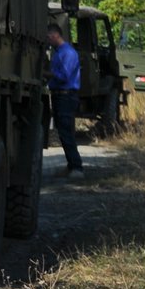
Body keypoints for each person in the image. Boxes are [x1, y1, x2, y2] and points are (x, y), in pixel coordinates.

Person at [46, 24, 83, 179]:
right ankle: (71, 166)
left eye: (48, 37)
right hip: (59, 95)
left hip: (66, 96)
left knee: (66, 132)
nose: (47, 40)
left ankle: (77, 168)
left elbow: (65, 76)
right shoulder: (58, 53)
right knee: (63, 132)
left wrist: (47, 73)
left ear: (55, 35)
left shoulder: (68, 53)